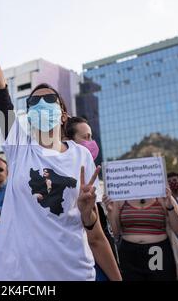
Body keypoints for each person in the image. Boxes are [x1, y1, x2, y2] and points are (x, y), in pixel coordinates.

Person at [0, 7, 120, 280]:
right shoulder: (18, 147)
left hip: (74, 273)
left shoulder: (82, 158)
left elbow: (96, 234)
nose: (41, 104)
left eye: (48, 99)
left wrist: (89, 214)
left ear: (63, 113)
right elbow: (0, 92)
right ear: (27, 114)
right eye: (33, 102)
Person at [65, 116, 119, 281]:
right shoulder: (73, 184)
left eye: (91, 136)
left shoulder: (93, 178)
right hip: (90, 263)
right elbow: (94, 238)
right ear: (69, 141)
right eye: (86, 137)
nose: (91, 142)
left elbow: (106, 230)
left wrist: (110, 212)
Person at [103, 185, 178, 280]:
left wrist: (170, 207)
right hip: (129, 253)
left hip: (157, 252)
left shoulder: (163, 195)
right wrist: (110, 211)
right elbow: (116, 233)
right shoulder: (121, 197)